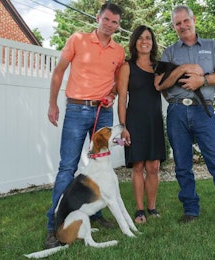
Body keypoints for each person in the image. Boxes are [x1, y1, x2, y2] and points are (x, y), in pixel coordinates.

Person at [154, 5, 215, 239]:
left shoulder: (211, 46)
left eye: (186, 21)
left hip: (202, 112)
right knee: (182, 165)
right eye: (177, 23)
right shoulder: (169, 52)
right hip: (177, 112)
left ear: (193, 19)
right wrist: (184, 69)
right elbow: (159, 83)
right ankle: (190, 209)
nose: (182, 26)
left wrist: (202, 80)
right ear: (174, 26)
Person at [45, 3, 125, 249]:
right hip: (77, 109)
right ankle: (53, 226)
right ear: (98, 18)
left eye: (115, 22)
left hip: (103, 111)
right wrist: (53, 104)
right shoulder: (78, 40)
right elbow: (58, 71)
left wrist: (111, 94)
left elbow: (116, 83)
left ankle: (95, 213)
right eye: (107, 20)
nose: (110, 25)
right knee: (67, 166)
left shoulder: (118, 51)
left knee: (100, 165)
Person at [117, 25, 166, 224]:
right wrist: (123, 127)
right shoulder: (127, 67)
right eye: (140, 38)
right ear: (134, 42)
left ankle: (152, 207)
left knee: (153, 167)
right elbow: (121, 100)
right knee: (137, 166)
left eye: (148, 38)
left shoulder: (159, 67)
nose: (144, 41)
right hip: (134, 122)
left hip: (154, 121)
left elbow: (168, 90)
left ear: (152, 42)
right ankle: (139, 210)